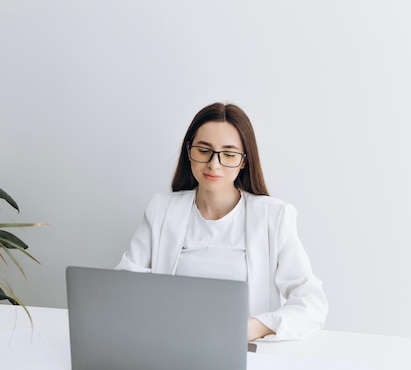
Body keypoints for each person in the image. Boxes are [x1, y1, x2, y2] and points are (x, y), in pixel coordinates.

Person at [117, 102, 328, 341]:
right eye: (203, 150)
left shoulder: (274, 217)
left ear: (244, 161)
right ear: (189, 151)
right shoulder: (161, 209)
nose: (214, 164)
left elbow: (312, 303)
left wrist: (254, 327)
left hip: (242, 352)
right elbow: (124, 288)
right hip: (169, 344)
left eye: (228, 154)